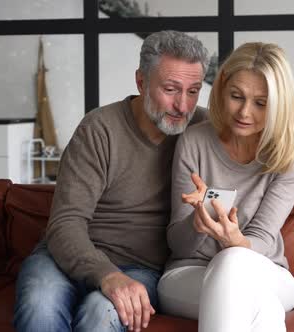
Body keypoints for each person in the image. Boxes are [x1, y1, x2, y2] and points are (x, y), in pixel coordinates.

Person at [13, 30, 210, 332]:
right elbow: (66, 222)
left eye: (193, 91)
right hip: (67, 257)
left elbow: (270, 158)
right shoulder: (99, 129)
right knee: (40, 301)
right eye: (171, 89)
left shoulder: (202, 128)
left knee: (102, 313)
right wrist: (106, 274)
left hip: (142, 268)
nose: (182, 106)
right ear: (141, 82)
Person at [158, 42, 294, 332]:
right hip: (189, 274)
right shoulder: (194, 142)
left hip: (267, 272)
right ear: (222, 88)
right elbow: (177, 243)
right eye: (236, 96)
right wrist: (197, 223)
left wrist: (234, 241)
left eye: (261, 103)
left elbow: (263, 237)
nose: (244, 112)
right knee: (264, 309)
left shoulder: (292, 157)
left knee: (234, 260)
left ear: (280, 104)